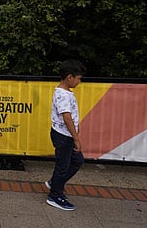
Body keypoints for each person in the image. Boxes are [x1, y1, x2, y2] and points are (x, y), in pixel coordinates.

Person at [45, 59, 86, 211]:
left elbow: (72, 116)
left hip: (66, 135)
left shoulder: (67, 92)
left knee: (77, 161)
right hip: (63, 137)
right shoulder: (62, 94)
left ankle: (55, 182)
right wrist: (76, 139)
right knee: (63, 166)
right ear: (70, 77)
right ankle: (55, 195)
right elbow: (66, 116)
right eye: (78, 78)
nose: (79, 82)